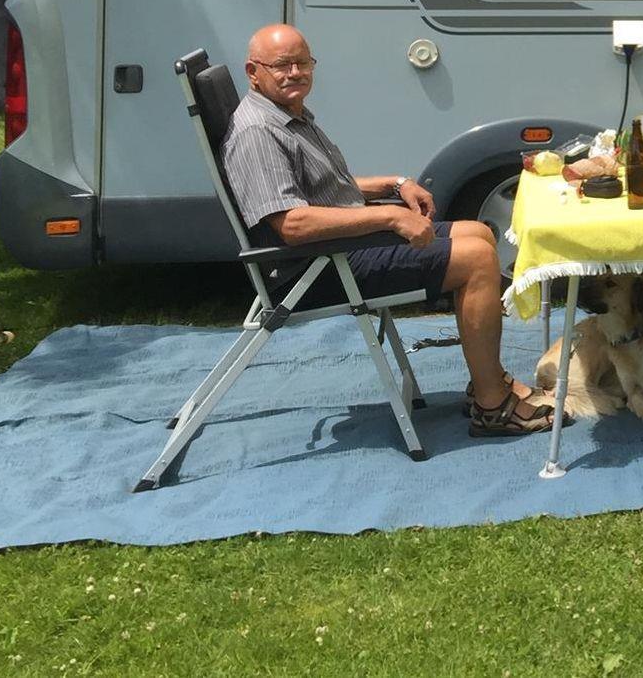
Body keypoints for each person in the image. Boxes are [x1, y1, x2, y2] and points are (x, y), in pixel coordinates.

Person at [220, 23, 553, 437]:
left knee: (480, 234)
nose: (295, 73)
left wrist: (395, 184)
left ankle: (489, 379)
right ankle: (493, 406)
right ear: (253, 72)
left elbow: (329, 189)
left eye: (303, 63)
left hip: (340, 250)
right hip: (318, 269)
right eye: (281, 65)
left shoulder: (287, 114)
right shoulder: (258, 131)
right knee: (478, 260)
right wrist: (390, 217)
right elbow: (292, 223)